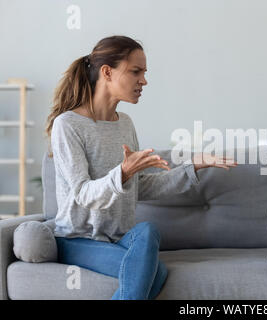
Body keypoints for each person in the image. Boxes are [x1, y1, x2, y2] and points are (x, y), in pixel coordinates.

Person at [45, 35, 236, 300]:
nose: (143, 81)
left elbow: (140, 187)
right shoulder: (68, 125)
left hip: (118, 240)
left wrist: (193, 166)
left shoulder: (125, 123)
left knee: (148, 230)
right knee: (154, 272)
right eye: (136, 72)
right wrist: (122, 173)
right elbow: (83, 193)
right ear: (107, 72)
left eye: (144, 73)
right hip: (78, 240)